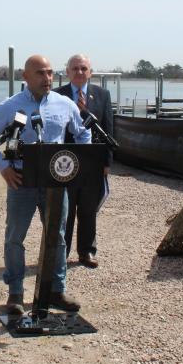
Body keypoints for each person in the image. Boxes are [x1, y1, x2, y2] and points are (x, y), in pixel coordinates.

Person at [0, 54, 91, 316]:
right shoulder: (11, 106)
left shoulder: (65, 104)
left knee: (58, 237)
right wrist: (3, 167)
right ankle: (15, 293)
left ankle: (56, 290)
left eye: (50, 72)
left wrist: (79, 161)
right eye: (40, 73)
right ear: (25, 77)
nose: (47, 78)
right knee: (15, 238)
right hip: (22, 181)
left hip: (55, 183)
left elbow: (84, 132)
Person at [54, 54, 114, 269]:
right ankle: (61, 252)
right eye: (75, 68)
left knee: (88, 209)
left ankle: (87, 251)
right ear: (67, 72)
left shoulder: (102, 95)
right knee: (65, 210)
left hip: (93, 161)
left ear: (90, 72)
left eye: (83, 68)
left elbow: (108, 127)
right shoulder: (56, 95)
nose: (79, 72)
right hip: (65, 161)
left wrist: (107, 162)